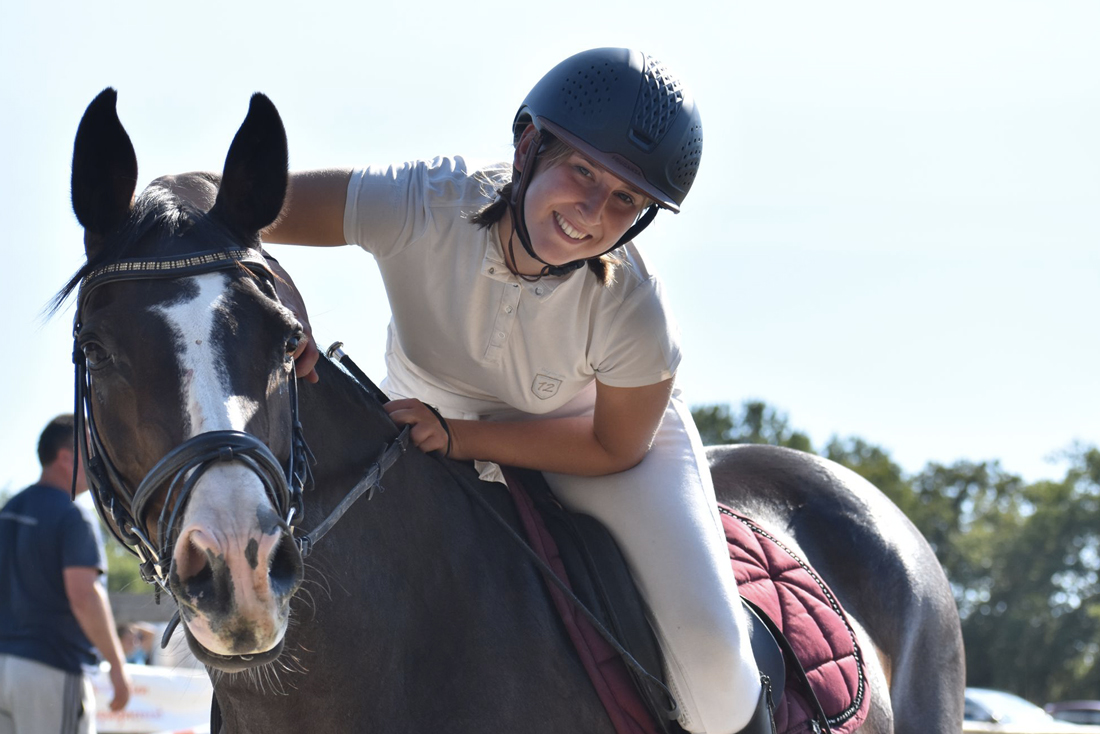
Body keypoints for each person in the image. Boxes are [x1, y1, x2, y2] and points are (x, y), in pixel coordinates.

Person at [264, 48, 771, 734]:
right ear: (530, 144)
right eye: (582, 171)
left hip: (585, 440)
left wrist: (462, 436)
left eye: (626, 198)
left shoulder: (636, 309)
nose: (592, 212)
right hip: (415, 426)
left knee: (717, 674)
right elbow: (216, 203)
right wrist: (276, 286)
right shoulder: (422, 201)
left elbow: (614, 443)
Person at [0, 414, 132, 734]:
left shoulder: (8, 511)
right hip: (50, 669)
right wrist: (117, 666)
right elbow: (84, 595)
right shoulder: (72, 516)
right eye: (91, 450)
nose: (98, 460)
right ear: (65, 458)